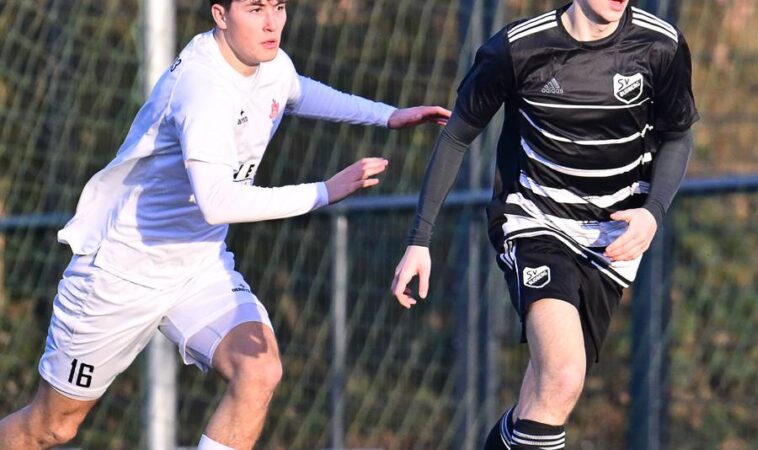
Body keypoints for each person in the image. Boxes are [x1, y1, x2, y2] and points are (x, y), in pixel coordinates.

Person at [0, 1, 450, 449]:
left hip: (199, 269)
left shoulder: (269, 62)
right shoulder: (201, 85)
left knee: (260, 371)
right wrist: (324, 191)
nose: (272, 22)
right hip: (122, 273)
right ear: (220, 15)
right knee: (51, 427)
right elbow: (216, 202)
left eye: (279, 7)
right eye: (255, 9)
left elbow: (294, 90)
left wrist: (386, 116)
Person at [391, 0, 698, 448]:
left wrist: (653, 212)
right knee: (563, 372)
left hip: (611, 241)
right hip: (535, 222)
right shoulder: (518, 49)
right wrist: (420, 239)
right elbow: (457, 134)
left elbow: (677, 134)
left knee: (546, 398)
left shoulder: (659, 45)